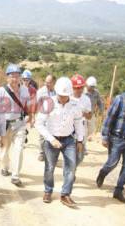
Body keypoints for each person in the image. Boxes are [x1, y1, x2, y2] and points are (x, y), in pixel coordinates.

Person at [36, 77, 84, 207]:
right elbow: (39, 124)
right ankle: (48, 191)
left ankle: (65, 195)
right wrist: (51, 139)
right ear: (56, 92)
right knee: (50, 167)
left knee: (71, 167)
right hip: (52, 139)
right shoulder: (48, 103)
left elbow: (79, 122)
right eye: (60, 95)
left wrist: (80, 140)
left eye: (65, 96)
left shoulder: (75, 104)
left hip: (69, 140)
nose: (62, 98)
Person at [96, 75, 125, 203]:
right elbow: (109, 119)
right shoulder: (120, 99)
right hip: (116, 138)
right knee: (112, 163)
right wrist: (105, 137)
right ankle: (103, 172)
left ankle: (118, 190)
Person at [0, 64, 32, 187]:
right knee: (4, 152)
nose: (15, 78)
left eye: (17, 76)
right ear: (7, 77)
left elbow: (28, 104)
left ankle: (15, 175)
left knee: (19, 149)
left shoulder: (24, 89)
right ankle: (5, 167)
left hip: (20, 124)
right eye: (12, 76)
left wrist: (30, 116)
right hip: (5, 125)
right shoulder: (2, 91)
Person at [71, 74, 92, 163]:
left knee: (80, 156)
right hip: (69, 130)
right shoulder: (67, 97)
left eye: (81, 87)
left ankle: (72, 170)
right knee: (69, 156)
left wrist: (83, 113)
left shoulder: (86, 99)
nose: (79, 90)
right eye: (76, 87)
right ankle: (69, 174)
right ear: (72, 87)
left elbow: (90, 116)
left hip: (82, 129)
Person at [36, 74, 57, 161]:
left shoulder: (57, 91)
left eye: (49, 82)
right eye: (46, 82)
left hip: (54, 117)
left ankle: (52, 154)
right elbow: (37, 103)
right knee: (42, 135)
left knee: (54, 135)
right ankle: (42, 153)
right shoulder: (41, 91)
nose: (46, 84)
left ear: (54, 82)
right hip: (43, 115)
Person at [85, 76, 104, 141]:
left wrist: (101, 111)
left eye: (93, 86)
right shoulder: (82, 92)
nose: (92, 88)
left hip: (91, 115)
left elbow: (100, 102)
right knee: (83, 132)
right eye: (91, 86)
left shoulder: (96, 93)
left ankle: (86, 142)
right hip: (83, 115)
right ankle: (83, 146)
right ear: (87, 85)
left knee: (91, 130)